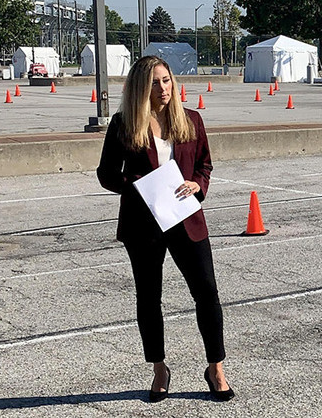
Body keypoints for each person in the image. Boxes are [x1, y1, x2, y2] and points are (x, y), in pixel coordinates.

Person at [97, 56, 234, 403]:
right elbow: (107, 173)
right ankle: (159, 368)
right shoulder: (124, 123)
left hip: (186, 219)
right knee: (149, 299)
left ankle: (216, 368)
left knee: (207, 294)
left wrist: (197, 185)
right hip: (144, 223)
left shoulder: (191, 120)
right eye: (155, 82)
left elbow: (204, 164)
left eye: (167, 80)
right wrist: (139, 184)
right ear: (141, 87)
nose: (163, 88)